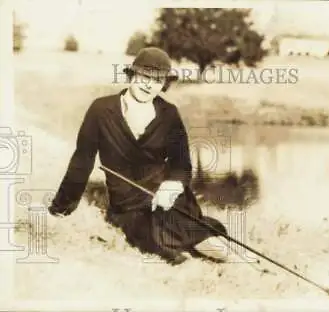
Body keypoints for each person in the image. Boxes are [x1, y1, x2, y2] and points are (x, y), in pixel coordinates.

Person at [48, 47, 228, 265]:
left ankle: (219, 251)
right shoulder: (101, 110)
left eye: (157, 79)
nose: (148, 85)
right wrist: (60, 208)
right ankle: (183, 258)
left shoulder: (169, 114)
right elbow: (82, 160)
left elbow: (182, 164)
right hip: (129, 204)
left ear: (164, 84)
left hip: (168, 198)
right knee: (154, 240)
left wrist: (171, 187)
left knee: (205, 240)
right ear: (132, 75)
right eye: (144, 76)